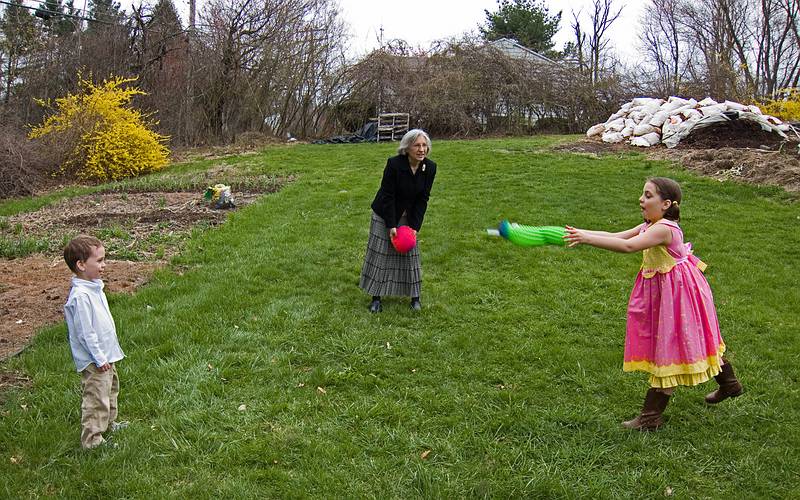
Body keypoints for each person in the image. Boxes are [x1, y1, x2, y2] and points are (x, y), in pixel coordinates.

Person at [564, 177, 743, 430]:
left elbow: (627, 246)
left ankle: (650, 419)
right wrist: (581, 233)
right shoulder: (651, 224)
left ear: (666, 203)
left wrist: (586, 239)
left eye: (648, 196)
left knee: (670, 348)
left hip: (680, 296)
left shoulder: (664, 228)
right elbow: (617, 235)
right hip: (670, 293)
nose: (641, 199)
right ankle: (729, 384)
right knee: (693, 342)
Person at [360, 129, 437, 312]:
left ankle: (415, 298)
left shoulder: (430, 167)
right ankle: (376, 298)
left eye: (424, 145)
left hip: (408, 216)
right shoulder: (394, 164)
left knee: (411, 255)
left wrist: (414, 227)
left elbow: (423, 199)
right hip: (385, 213)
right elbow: (388, 195)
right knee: (381, 254)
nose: (421, 149)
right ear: (407, 147)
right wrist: (391, 224)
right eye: (417, 145)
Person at [63, 235, 126, 448]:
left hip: (106, 354)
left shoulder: (94, 287)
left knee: (110, 390)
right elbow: (85, 334)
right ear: (81, 265)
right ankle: (92, 440)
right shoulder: (81, 296)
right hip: (94, 359)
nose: (104, 265)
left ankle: (109, 423)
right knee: (96, 397)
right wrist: (98, 358)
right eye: (99, 261)